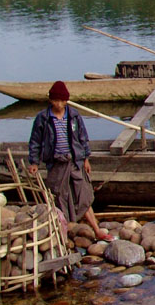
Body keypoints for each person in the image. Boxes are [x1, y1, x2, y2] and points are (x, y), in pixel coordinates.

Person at [28, 81, 110, 240]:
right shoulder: (43, 118)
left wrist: (86, 158)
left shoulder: (73, 116)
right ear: (50, 100)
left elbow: (83, 138)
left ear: (66, 101)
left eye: (62, 101)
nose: (59, 104)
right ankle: (63, 233)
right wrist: (34, 162)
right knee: (58, 196)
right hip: (56, 163)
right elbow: (35, 142)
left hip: (75, 161)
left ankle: (97, 230)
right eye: (55, 100)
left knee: (84, 196)